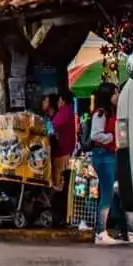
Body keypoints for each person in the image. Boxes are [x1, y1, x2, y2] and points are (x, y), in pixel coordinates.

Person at [89, 83, 119, 244]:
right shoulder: (101, 113)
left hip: (109, 155)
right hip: (103, 155)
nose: (118, 96)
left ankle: (105, 230)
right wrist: (112, 138)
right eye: (115, 93)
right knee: (107, 194)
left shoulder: (111, 112)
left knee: (111, 192)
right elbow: (95, 135)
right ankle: (101, 232)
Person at [50, 90, 77, 224]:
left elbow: (51, 128)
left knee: (60, 187)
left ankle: (61, 216)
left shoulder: (63, 113)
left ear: (62, 100)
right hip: (69, 153)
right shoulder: (71, 112)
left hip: (62, 155)